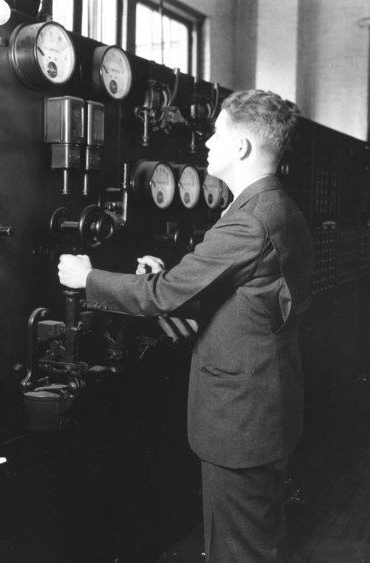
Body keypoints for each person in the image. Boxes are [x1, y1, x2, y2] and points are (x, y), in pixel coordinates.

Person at [58, 89, 314, 563]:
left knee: (237, 551)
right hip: (267, 409)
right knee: (260, 540)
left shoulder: (249, 220)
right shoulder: (279, 208)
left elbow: (165, 296)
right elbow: (247, 305)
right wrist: (169, 277)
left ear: (241, 148)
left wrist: (87, 277)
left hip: (241, 421)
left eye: (217, 132)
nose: (207, 144)